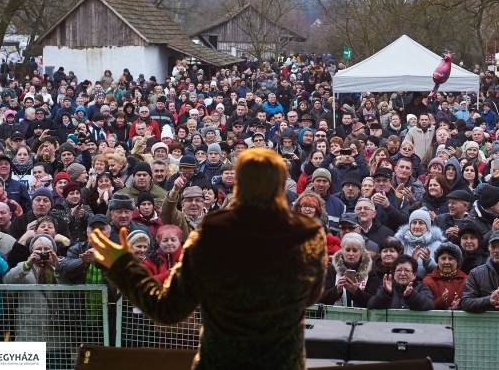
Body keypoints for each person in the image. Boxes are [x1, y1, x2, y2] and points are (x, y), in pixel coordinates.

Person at [88, 148, 327, 370]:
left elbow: (168, 309)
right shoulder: (308, 233)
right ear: (280, 184)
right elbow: (313, 295)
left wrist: (122, 265)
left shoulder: (213, 232)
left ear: (239, 184)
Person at [2, 234, 72, 367]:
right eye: (39, 249)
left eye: (47, 249)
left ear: (54, 251)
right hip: (28, 335)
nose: (43, 252)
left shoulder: (62, 265)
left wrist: (58, 268)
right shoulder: (24, 266)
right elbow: (7, 282)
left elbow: (69, 289)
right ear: (32, 251)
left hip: (56, 337)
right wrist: (28, 264)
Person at [320, 232, 380, 307]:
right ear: (342, 251)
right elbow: (321, 298)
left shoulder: (370, 272)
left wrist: (355, 291)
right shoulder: (331, 270)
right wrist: (337, 290)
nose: (351, 254)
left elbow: (373, 302)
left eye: (355, 251)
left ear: (361, 252)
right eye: (347, 250)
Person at [366, 254, 435, 310]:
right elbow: (371, 305)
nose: (402, 274)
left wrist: (411, 295)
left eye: (407, 270)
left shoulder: (422, 288)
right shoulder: (386, 288)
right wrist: (386, 293)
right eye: (399, 270)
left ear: (414, 275)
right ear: (394, 273)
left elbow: (429, 305)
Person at [394, 208, 444, 278]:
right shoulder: (401, 243)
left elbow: (443, 270)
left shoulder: (438, 245)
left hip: (429, 286)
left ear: (427, 226)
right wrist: (411, 262)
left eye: (421, 223)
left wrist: (428, 262)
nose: (417, 226)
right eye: (414, 223)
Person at [422, 242, 467, 310]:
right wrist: (441, 301)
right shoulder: (428, 280)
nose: (446, 262)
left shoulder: (466, 279)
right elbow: (425, 305)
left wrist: (460, 306)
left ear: (457, 261)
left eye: (451, 258)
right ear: (437, 261)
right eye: (443, 258)